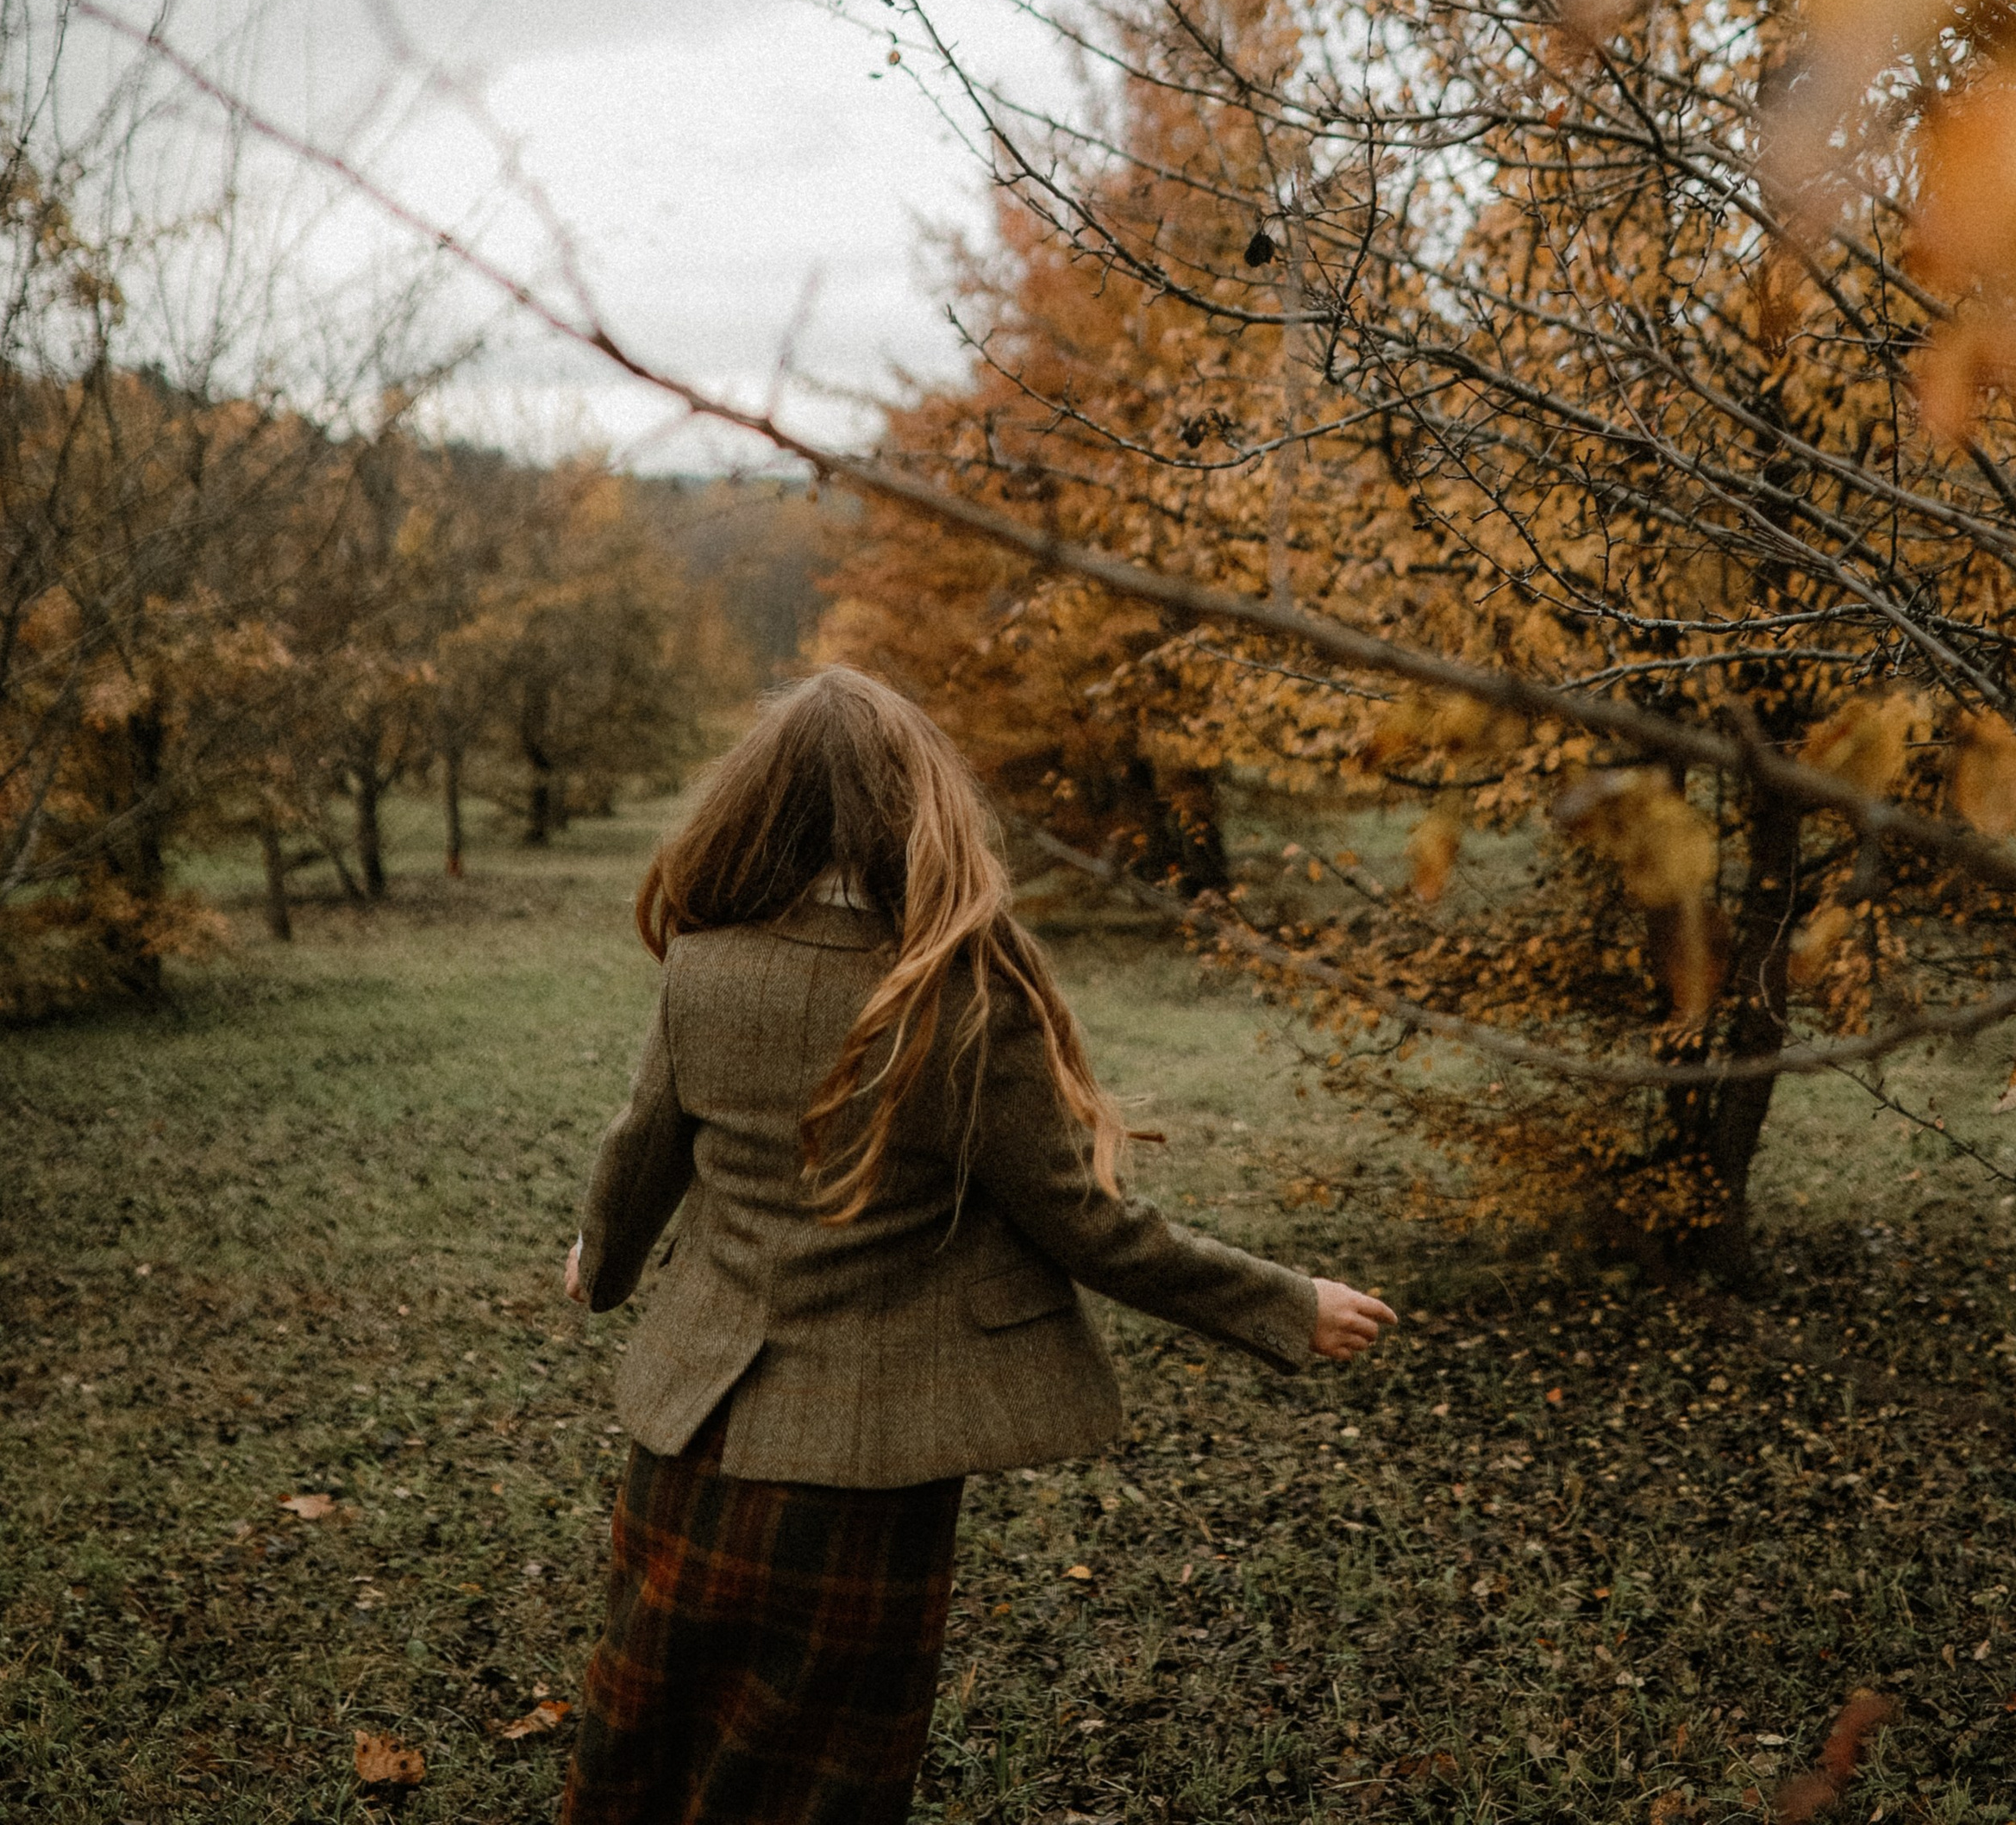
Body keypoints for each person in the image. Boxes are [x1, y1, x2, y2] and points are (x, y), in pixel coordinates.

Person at [557, 663, 1394, 1825]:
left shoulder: (706, 968)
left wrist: (599, 1266)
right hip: (863, 1475)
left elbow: (637, 1151)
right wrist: (1285, 1302)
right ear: (919, 807)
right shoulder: (956, 999)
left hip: (688, 1443)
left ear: (755, 805)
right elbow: (1086, 1222)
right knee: (811, 1779)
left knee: (645, 1733)